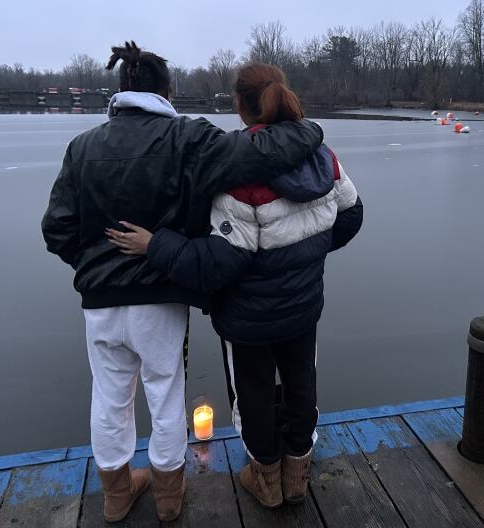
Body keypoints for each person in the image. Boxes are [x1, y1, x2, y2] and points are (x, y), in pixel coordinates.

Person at [41, 43, 323, 523]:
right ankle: (170, 498)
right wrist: (311, 128)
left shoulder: (82, 146)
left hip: (100, 303)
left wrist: (95, 266)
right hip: (162, 291)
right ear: (166, 90)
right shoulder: (187, 138)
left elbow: (57, 230)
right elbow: (262, 151)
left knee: (109, 396)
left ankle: (115, 494)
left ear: (121, 90)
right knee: (165, 390)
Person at [106, 63, 363, 509]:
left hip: (247, 316)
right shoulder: (324, 156)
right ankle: (297, 475)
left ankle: (265, 480)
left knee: (254, 397)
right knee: (302, 383)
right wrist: (302, 257)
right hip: (303, 305)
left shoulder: (234, 174)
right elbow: (352, 215)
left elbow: (221, 263)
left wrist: (156, 245)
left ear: (241, 106)